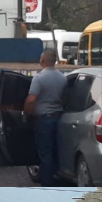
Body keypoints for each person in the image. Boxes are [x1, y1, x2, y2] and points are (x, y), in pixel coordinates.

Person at [22, 48, 68, 187]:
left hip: (44, 120)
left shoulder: (39, 78)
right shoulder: (63, 78)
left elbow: (31, 100)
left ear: (42, 60)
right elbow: (65, 99)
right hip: (59, 119)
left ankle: (47, 184)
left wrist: (26, 114)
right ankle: (58, 177)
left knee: (45, 153)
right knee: (56, 150)